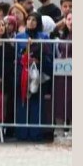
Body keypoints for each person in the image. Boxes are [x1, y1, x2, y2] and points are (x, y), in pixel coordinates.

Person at [13, 13, 53, 141]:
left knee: (36, 103)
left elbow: (48, 56)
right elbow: (14, 56)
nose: (31, 22)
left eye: (34, 20)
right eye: (29, 19)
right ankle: (22, 133)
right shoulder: (19, 37)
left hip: (38, 75)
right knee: (22, 102)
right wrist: (23, 58)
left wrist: (38, 61)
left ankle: (36, 133)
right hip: (23, 74)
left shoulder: (44, 37)